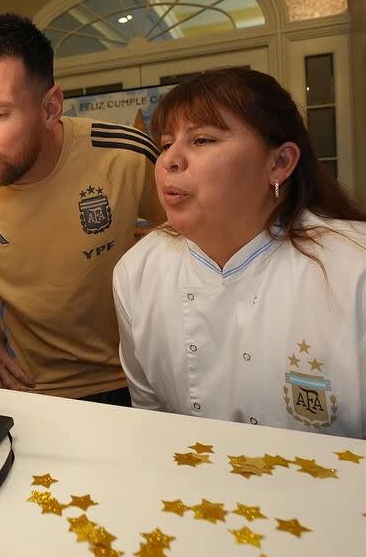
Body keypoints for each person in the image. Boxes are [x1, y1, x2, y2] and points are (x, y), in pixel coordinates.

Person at [113, 68, 366, 438]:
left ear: (279, 163)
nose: (169, 160)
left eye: (201, 140)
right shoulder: (137, 271)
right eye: (166, 143)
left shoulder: (353, 268)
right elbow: (152, 419)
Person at [0, 13, 163, 402]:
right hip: (31, 390)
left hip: (140, 379)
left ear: (51, 107)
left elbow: (194, 241)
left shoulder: (126, 156)